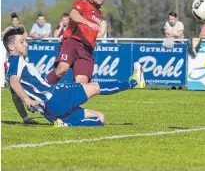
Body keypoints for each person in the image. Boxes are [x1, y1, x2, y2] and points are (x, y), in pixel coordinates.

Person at [3, 26, 145, 127]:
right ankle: (134, 82)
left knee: (100, 118)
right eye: (21, 42)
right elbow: (15, 82)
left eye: (25, 41)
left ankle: (65, 124)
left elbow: (15, 96)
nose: (26, 44)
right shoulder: (15, 61)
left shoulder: (9, 69)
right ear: (11, 48)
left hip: (50, 114)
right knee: (95, 87)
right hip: (56, 98)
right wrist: (28, 100)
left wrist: (25, 117)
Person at [2, 13, 35, 124]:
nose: (15, 23)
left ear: (18, 21)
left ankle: (34, 104)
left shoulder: (22, 30)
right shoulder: (8, 30)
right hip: (12, 62)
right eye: (13, 21)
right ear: (12, 21)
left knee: (30, 86)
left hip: (23, 61)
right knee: (15, 94)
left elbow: (25, 37)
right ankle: (25, 118)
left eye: (17, 21)